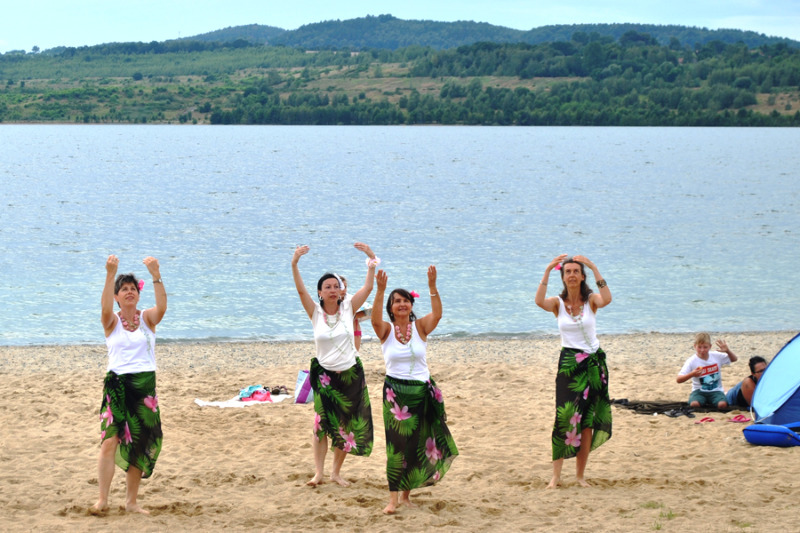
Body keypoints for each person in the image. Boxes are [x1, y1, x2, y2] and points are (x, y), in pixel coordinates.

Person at [370, 266, 457, 514]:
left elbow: (437, 314)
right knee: (396, 446)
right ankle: (392, 499)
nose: (402, 304)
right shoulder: (385, 330)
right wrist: (380, 290)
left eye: (405, 300)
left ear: (411, 305)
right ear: (390, 307)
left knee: (417, 444)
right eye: (396, 301)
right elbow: (374, 319)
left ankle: (406, 496)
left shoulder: (420, 327)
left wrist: (432, 287)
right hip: (395, 395)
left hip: (421, 392)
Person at [291, 243, 377, 487]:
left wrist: (371, 259)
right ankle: (318, 473)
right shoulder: (315, 312)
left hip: (350, 374)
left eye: (335, 286)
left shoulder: (350, 307)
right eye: (326, 287)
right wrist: (295, 263)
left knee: (346, 427)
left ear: (341, 292)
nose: (331, 289)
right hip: (325, 377)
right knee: (321, 424)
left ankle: (335, 472)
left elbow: (368, 287)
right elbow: (300, 291)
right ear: (319, 293)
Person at [91, 255, 167, 515]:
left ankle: (131, 502)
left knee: (141, 443)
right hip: (117, 385)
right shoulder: (111, 321)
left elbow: (163, 307)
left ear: (138, 294)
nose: (129, 292)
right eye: (124, 290)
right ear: (117, 297)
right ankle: (102, 500)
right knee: (109, 442)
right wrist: (110, 274)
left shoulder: (147, 319)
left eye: (133, 288)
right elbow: (103, 309)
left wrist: (156, 274)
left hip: (144, 386)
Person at [535, 254, 613, 489]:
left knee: (587, 421)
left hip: (593, 364)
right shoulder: (557, 304)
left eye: (575, 271)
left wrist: (594, 266)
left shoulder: (591, 301)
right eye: (567, 271)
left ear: (581, 276)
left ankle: (580, 476)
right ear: (563, 276)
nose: (571, 275)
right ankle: (555, 477)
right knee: (564, 418)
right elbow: (539, 301)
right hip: (569, 363)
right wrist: (548, 269)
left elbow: (607, 298)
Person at [677, 333, 739, 409]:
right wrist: (692, 374)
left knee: (722, 405)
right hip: (699, 391)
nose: (702, 350)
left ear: (710, 346)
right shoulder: (691, 361)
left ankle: (723, 392)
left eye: (705, 347)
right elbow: (679, 379)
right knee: (694, 405)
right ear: (695, 346)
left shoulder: (716, 356)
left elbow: (734, 359)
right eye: (699, 347)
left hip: (716, 390)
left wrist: (728, 351)